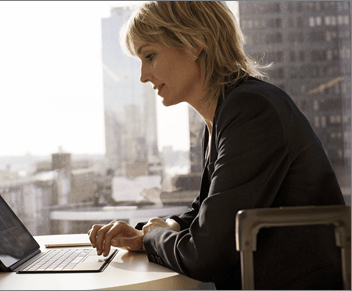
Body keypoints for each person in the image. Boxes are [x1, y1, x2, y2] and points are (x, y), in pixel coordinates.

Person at [88, 1, 346, 289]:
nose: (143, 75)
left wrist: (149, 239)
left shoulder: (250, 109)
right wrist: (163, 227)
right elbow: (213, 208)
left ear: (194, 43)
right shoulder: (223, 114)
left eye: (150, 56)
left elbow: (205, 253)